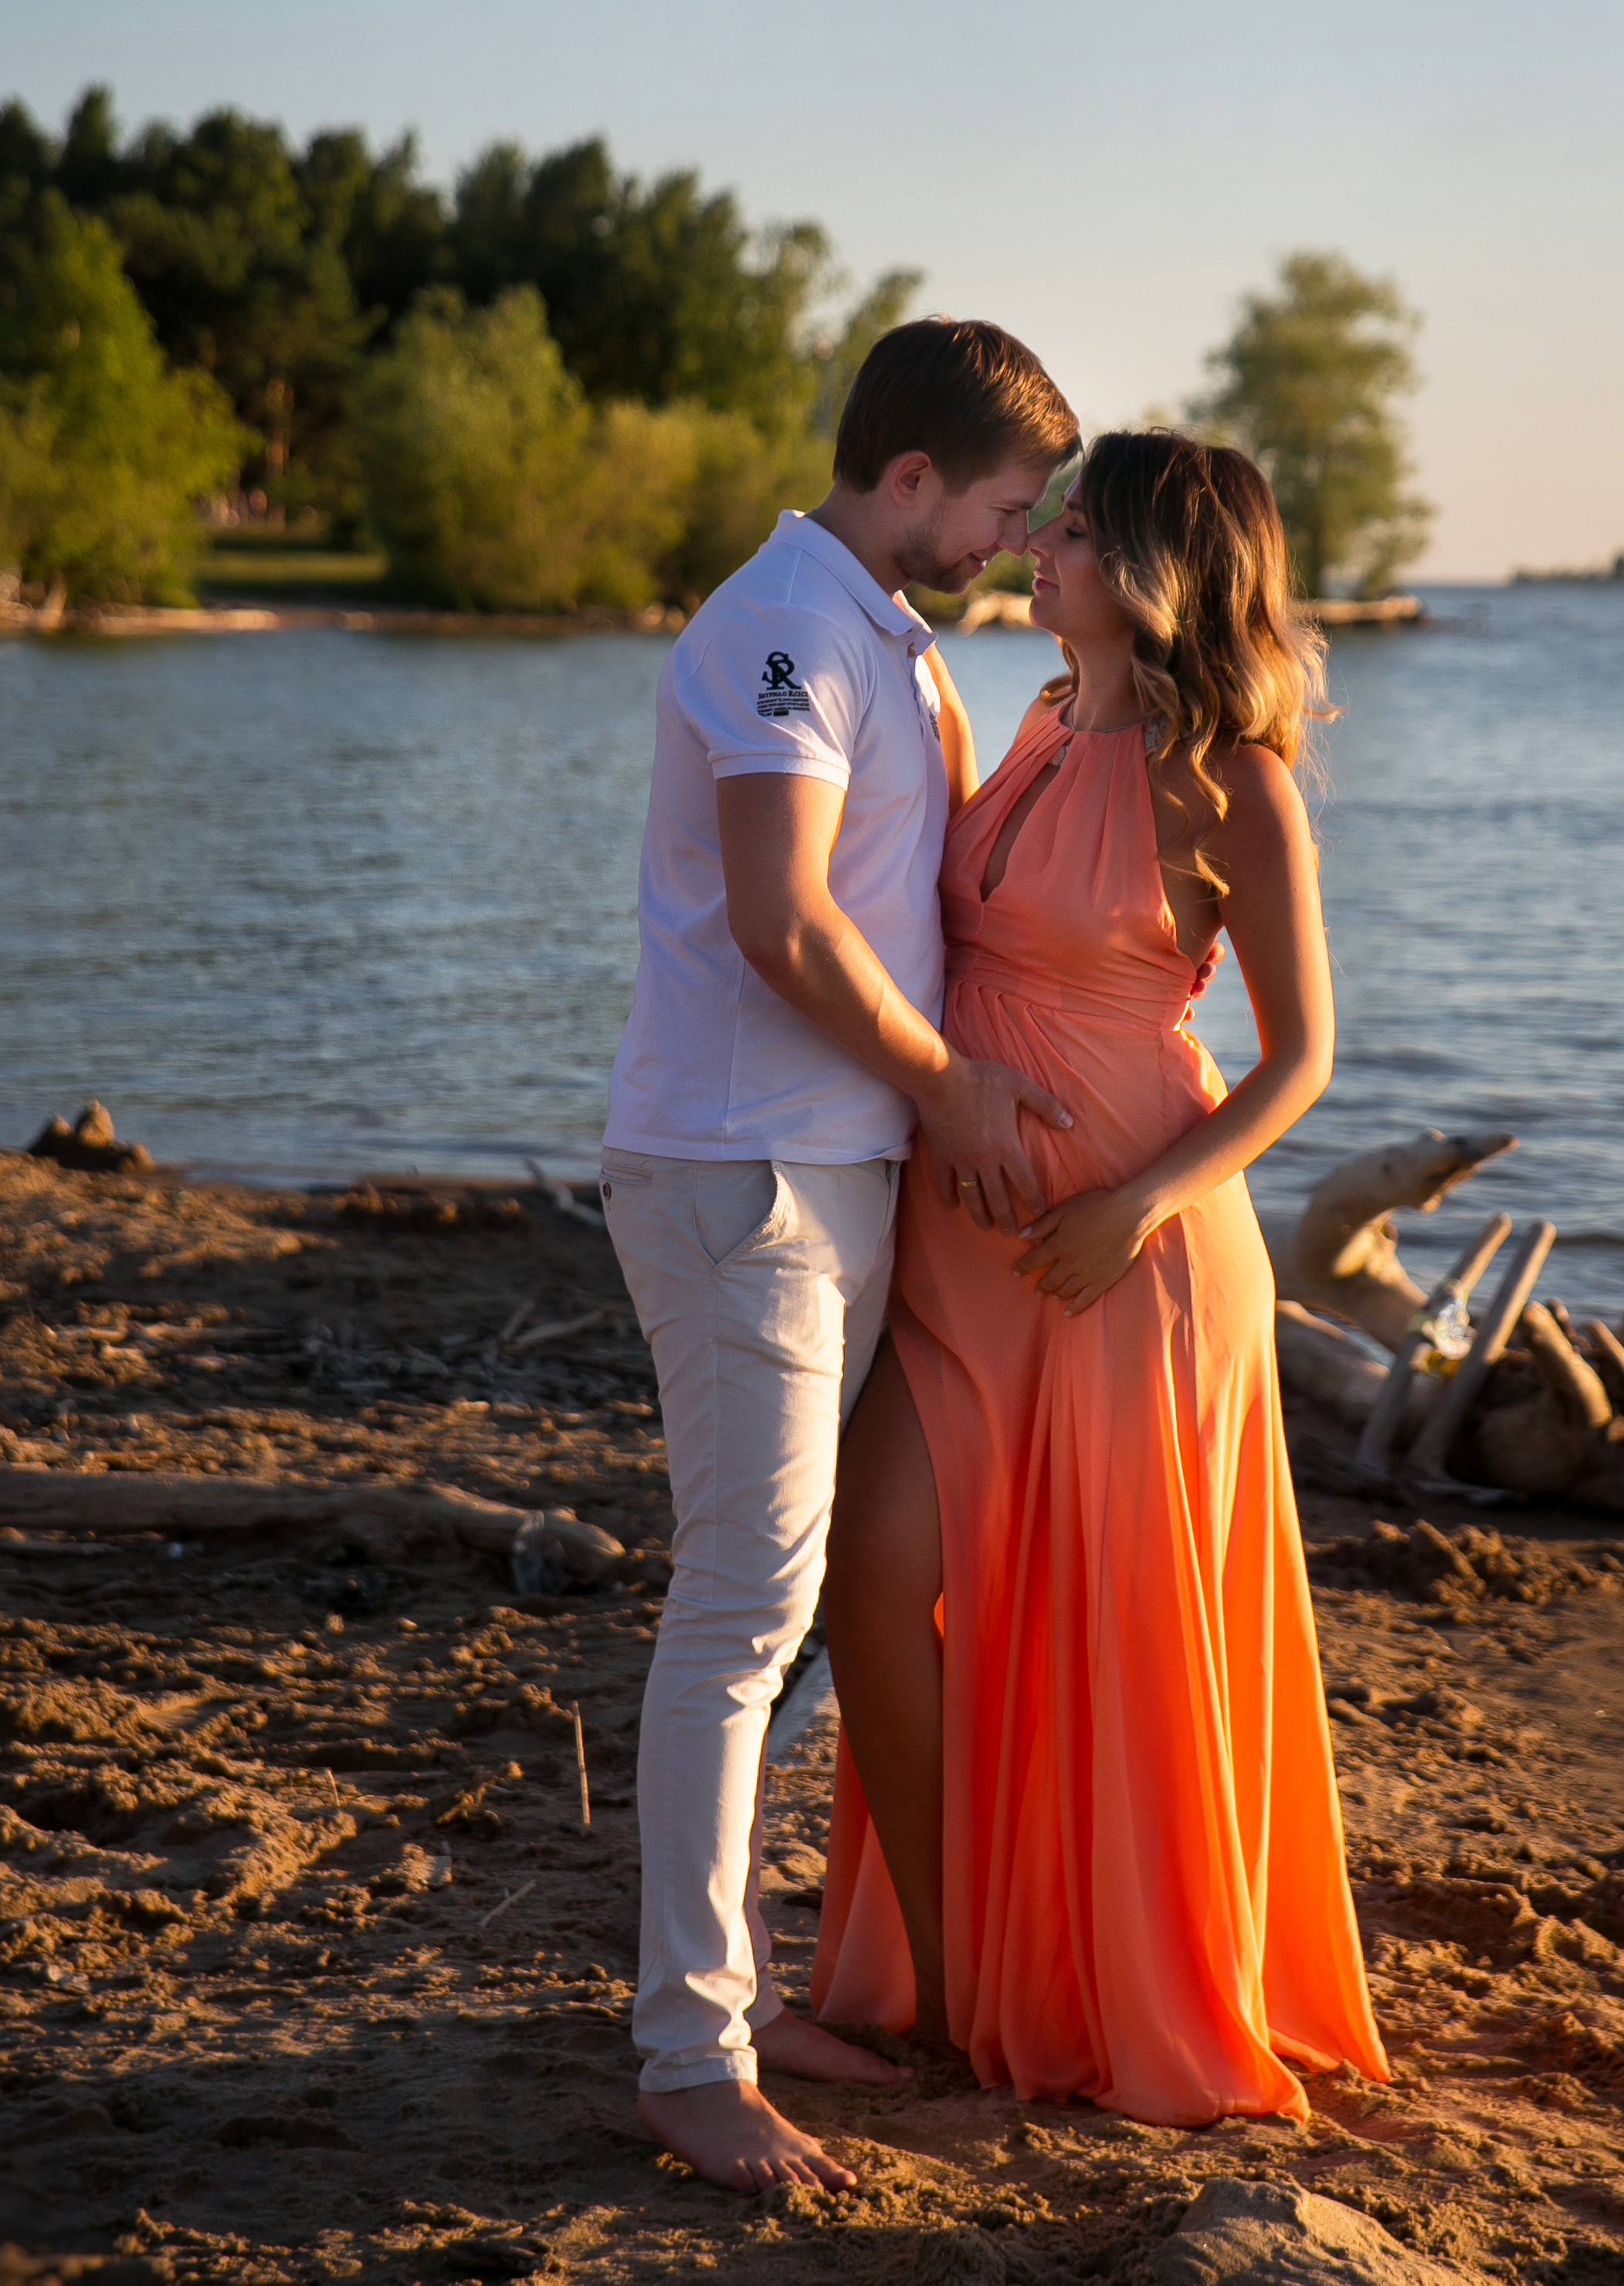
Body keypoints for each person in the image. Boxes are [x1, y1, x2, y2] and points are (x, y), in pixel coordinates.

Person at [815, 427, 1391, 2122]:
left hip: (1129, 1268)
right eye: (1043, 523)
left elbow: (1300, 1061)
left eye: (1068, 531)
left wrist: (1132, 1209)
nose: (1035, 548)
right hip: (966, 1250)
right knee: (872, 1572)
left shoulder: (1235, 787)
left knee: (1118, 1636)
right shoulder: (1039, 720)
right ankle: (953, 1973)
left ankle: (1120, 1983)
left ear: (1149, 574)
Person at [600, 319, 1081, 2193]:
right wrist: (953, 1089)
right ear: (907, 477)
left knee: (777, 1604)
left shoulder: (876, 632)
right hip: (744, 1180)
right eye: (1004, 508)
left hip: (820, 1177)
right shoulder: (780, 632)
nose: (1010, 544)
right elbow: (783, 921)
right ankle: (687, 2055)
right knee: (737, 1615)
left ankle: (733, 1998)